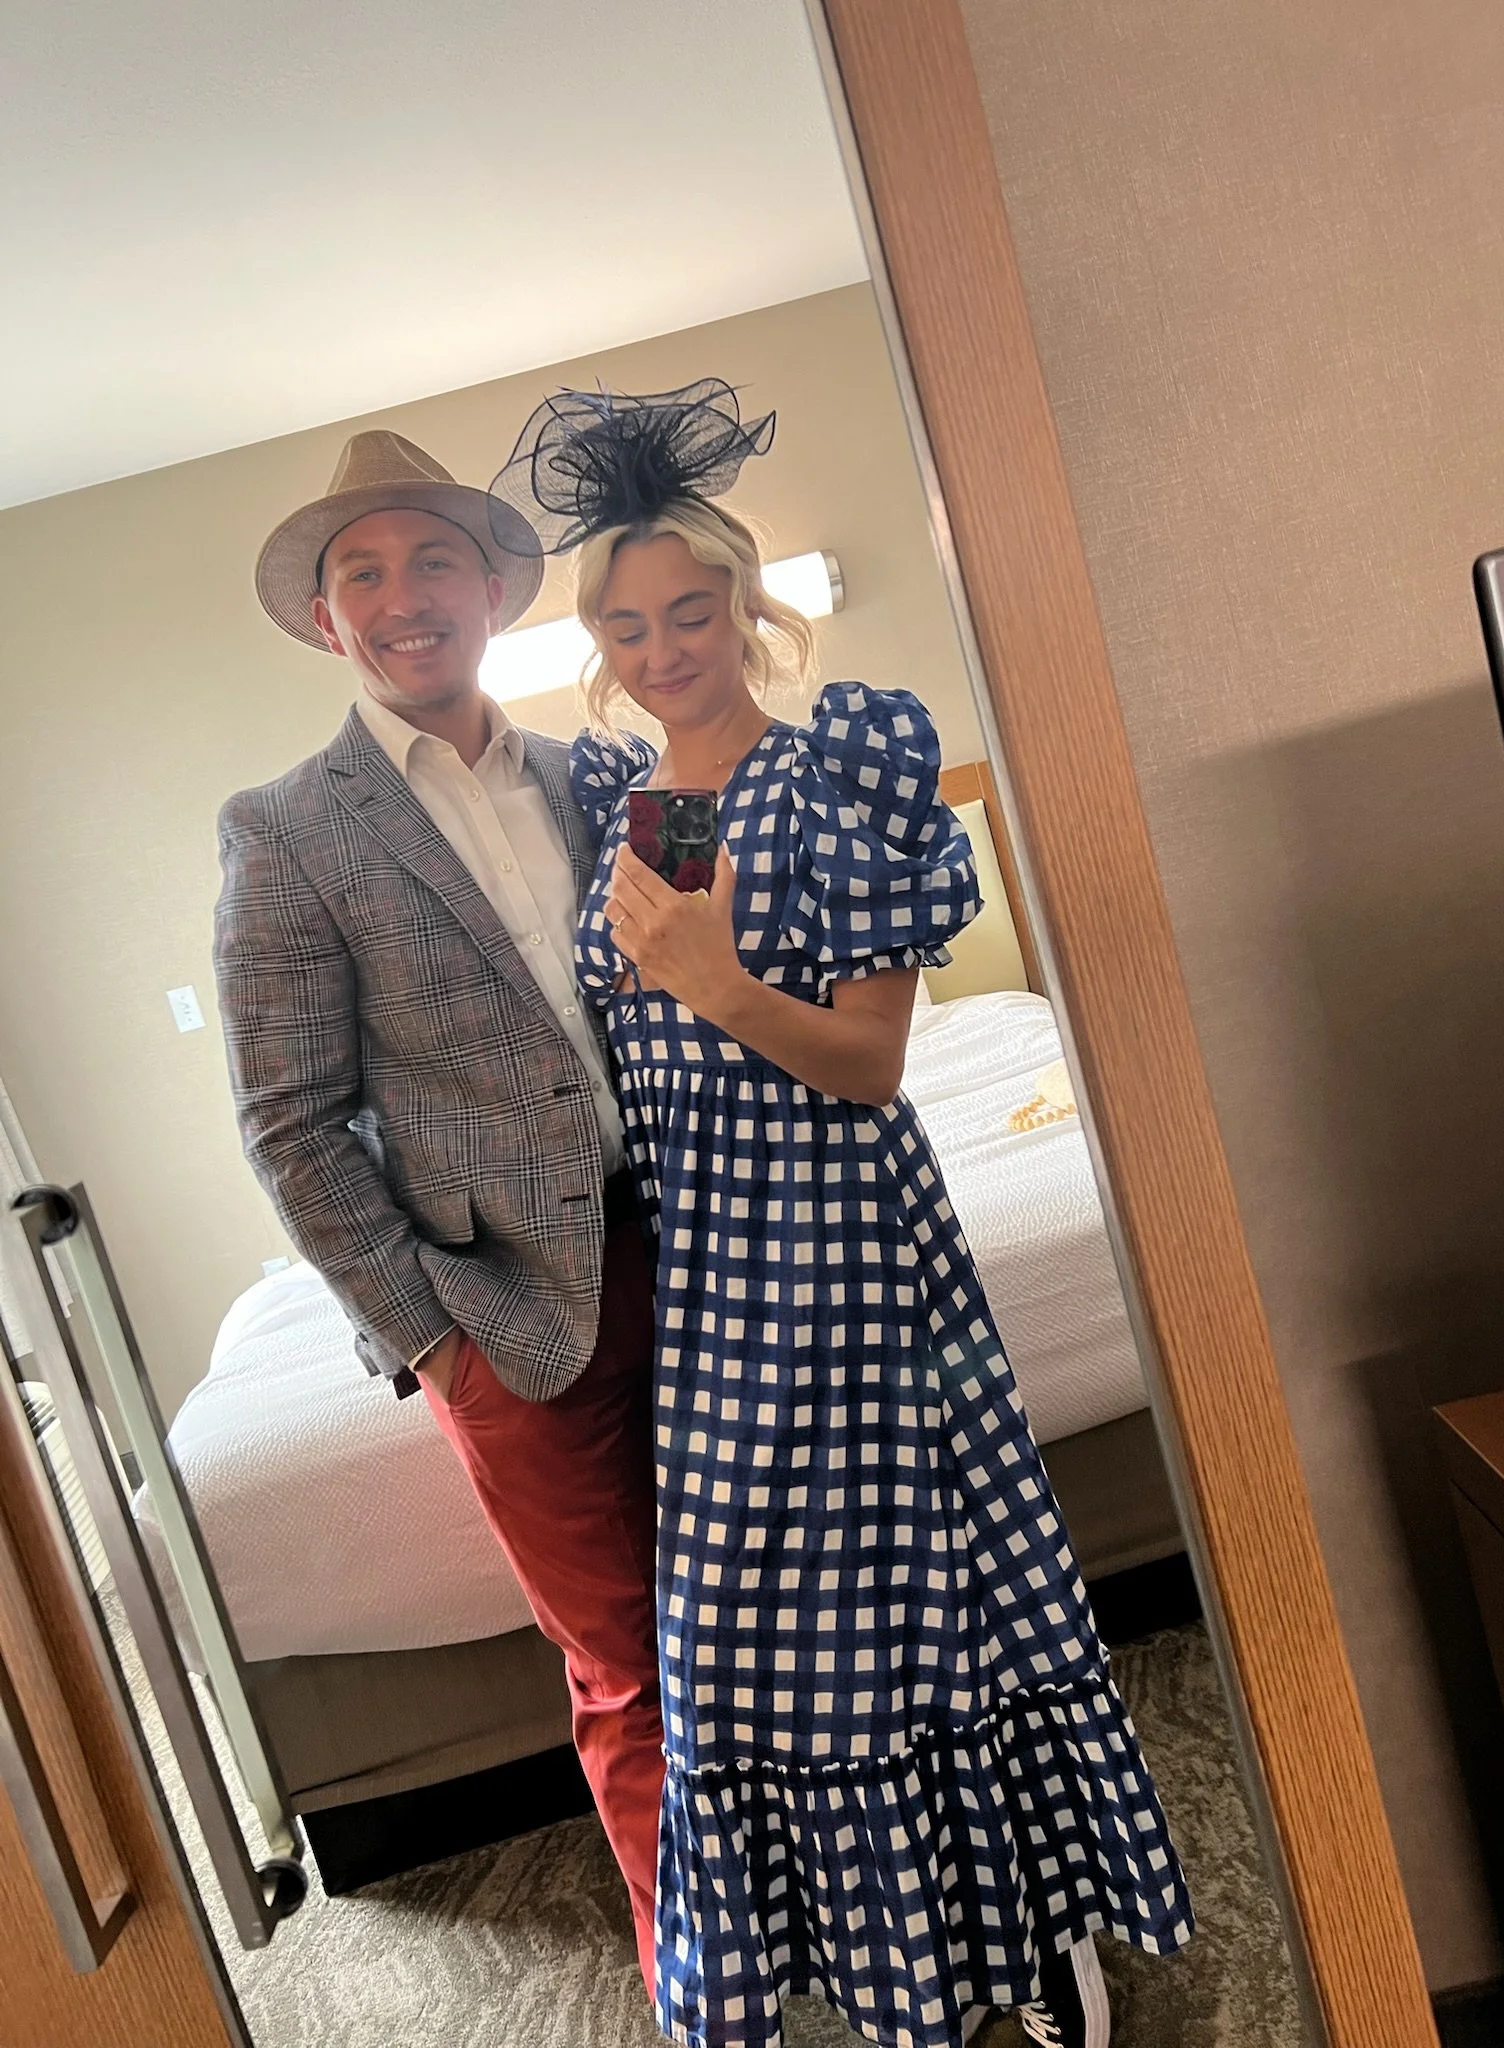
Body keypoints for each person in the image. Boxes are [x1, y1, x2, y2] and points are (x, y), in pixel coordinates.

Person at [490, 382, 1195, 2048]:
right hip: (712, 1274)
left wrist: (717, 984)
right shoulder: (605, 812)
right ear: (594, 644)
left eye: (694, 610)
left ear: (750, 608)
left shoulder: (851, 769)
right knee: (747, 1632)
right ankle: (896, 1972)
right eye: (628, 623)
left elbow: (874, 1067)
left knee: (926, 1599)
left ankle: (1038, 1943)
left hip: (853, 1245)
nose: (667, 648)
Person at [212, 428, 664, 1987]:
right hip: (504, 1315)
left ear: (490, 590)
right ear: (332, 621)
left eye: (433, 560)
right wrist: (424, 1339)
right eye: (364, 572)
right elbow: (290, 1123)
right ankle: (709, 1983)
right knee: (623, 1668)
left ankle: (851, 1912)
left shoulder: (599, 774)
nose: (404, 596)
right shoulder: (286, 830)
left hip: (710, 1258)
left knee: (773, 1618)